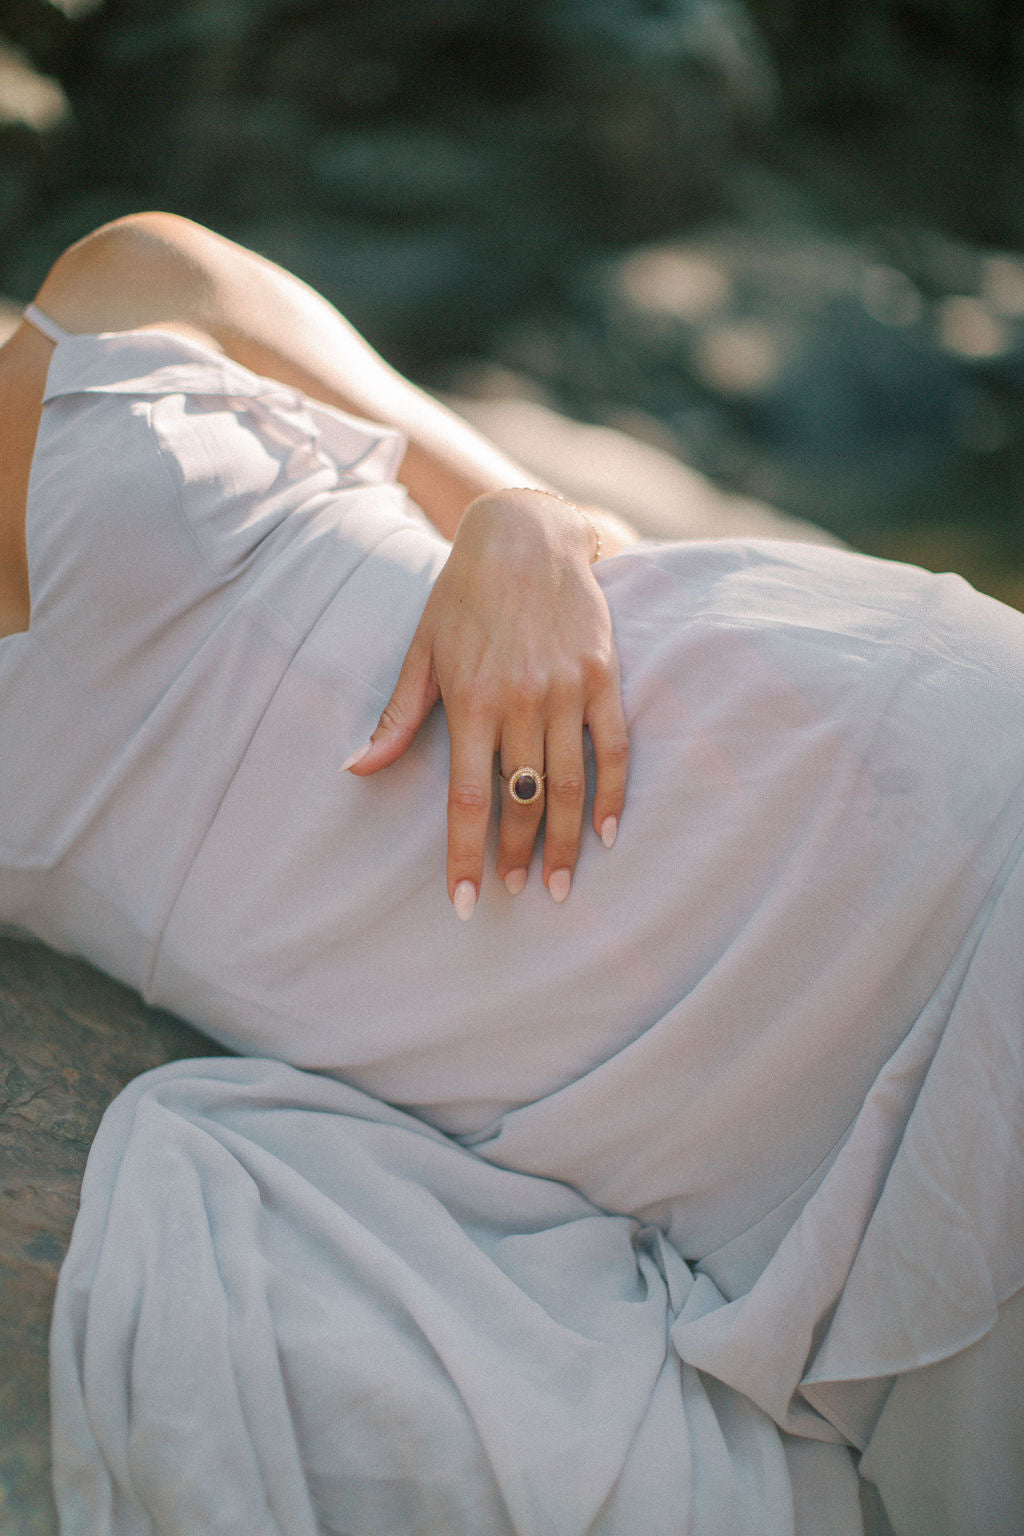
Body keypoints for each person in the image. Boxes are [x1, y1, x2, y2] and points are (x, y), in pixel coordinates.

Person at [0, 214, 1021, 1536]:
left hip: (812, 746)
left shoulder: (124, 282)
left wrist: (517, 531)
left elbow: (534, 504)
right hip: (633, 1081)